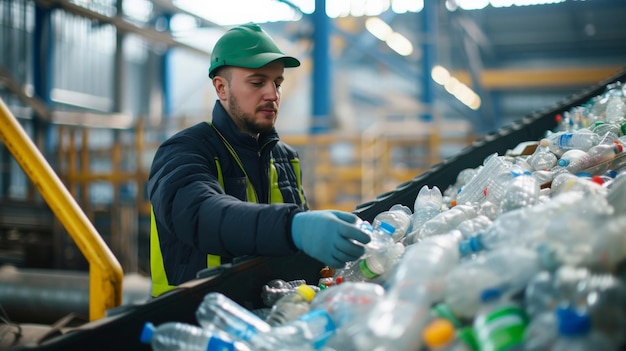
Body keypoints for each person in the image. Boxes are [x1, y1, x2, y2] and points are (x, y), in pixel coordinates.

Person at [148, 23, 371, 297]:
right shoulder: (183, 151)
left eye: (277, 83)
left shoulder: (285, 158)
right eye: (257, 82)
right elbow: (202, 214)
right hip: (193, 317)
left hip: (269, 313)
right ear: (221, 88)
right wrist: (293, 226)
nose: (272, 94)